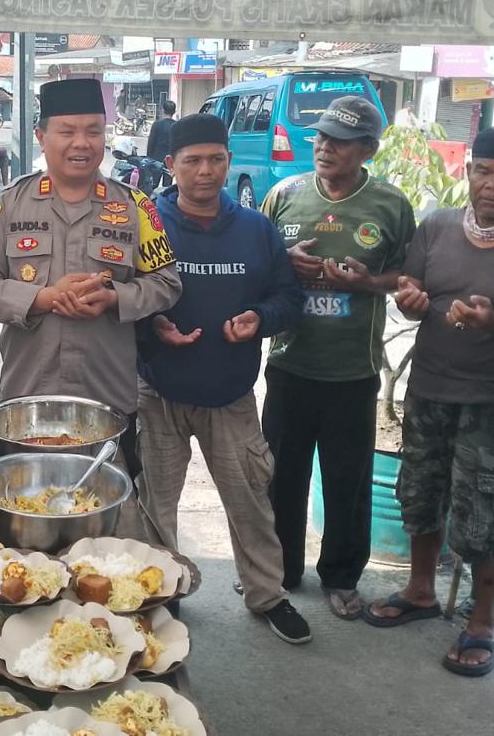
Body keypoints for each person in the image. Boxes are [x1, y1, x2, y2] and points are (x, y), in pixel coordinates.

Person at [363, 126, 494, 678]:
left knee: (484, 513)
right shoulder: (436, 226)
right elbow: (413, 295)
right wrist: (409, 301)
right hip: (431, 390)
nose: (493, 185)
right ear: (468, 172)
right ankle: (419, 592)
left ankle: (482, 621)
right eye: (484, 170)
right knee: (419, 493)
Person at [135, 113, 310, 644]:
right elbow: (124, 296)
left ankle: (267, 595)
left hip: (231, 394)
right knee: (154, 505)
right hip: (159, 391)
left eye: (215, 159)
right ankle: (164, 593)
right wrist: (152, 327)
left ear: (229, 162)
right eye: (192, 161)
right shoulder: (148, 224)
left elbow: (287, 297)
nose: (205, 171)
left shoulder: (257, 229)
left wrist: (261, 319)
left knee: (251, 499)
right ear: (172, 166)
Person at [0, 78, 182, 476]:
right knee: (25, 513)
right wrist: (44, 299)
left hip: (109, 399)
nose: (81, 143)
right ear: (41, 136)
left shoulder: (136, 206)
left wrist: (115, 297)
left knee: (108, 518)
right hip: (28, 399)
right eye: (66, 131)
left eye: (93, 131)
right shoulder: (6, 206)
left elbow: (167, 283)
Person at [260, 95, 416, 619]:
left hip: (353, 370)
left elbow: (408, 278)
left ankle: (342, 576)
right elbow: (259, 264)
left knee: (347, 478)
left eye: (340, 142)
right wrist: (286, 263)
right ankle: (277, 572)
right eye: (322, 137)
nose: (325, 148)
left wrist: (369, 281)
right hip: (288, 364)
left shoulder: (391, 206)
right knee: (280, 475)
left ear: (367, 150)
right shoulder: (284, 194)